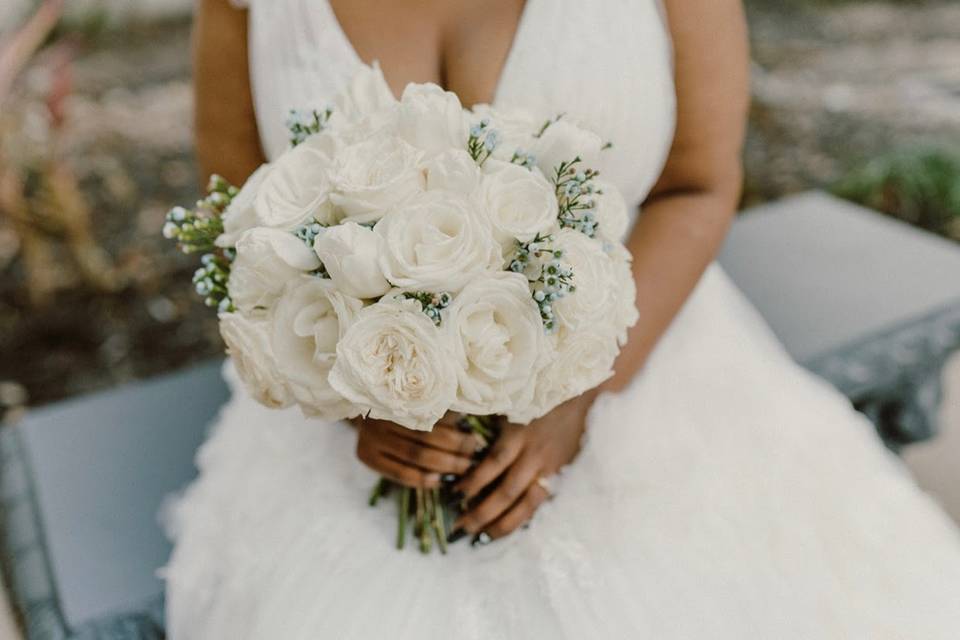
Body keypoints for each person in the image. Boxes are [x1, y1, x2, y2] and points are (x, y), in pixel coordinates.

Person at [163, 0, 960, 637]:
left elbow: (698, 184)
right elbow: (242, 230)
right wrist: (358, 397)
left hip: (649, 357)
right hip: (355, 420)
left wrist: (580, 388)